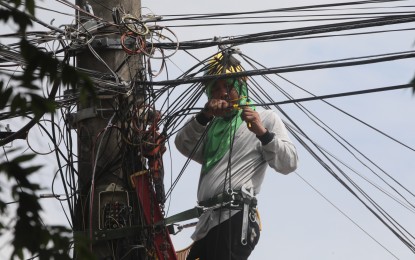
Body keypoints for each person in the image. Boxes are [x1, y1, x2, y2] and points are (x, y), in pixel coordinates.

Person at [174, 52, 298, 260]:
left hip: (234, 216)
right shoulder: (210, 126)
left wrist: (263, 133)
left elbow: (289, 162)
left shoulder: (265, 118)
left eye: (228, 87)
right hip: (208, 220)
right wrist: (204, 115)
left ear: (240, 87)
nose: (222, 94)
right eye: (215, 89)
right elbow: (183, 144)